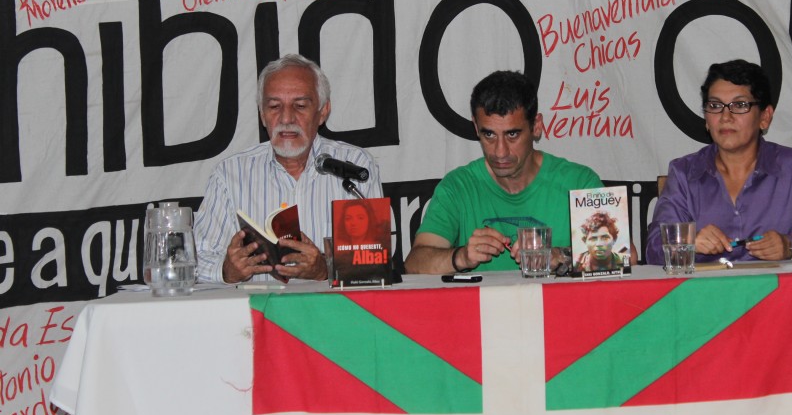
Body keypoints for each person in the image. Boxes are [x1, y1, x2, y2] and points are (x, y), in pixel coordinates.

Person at [194, 54, 382, 283]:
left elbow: (374, 259)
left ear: (323, 111)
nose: (286, 118)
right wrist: (226, 270)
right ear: (262, 115)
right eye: (274, 106)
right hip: (259, 304)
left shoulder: (355, 166)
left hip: (330, 305)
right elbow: (197, 258)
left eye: (300, 106)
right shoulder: (230, 174)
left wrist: (326, 269)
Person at [646, 59, 792, 263]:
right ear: (706, 119)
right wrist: (690, 244)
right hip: (705, 284)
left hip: (778, 284)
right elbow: (654, 249)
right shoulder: (684, 173)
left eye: (740, 105)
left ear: (765, 117)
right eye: (715, 106)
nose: (725, 116)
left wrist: (790, 245)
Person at [405, 70, 604, 274]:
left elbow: (619, 256)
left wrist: (558, 257)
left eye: (512, 134)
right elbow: (414, 264)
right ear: (476, 127)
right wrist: (461, 257)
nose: (500, 152)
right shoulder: (457, 187)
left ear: (536, 126)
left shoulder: (580, 183)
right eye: (489, 135)